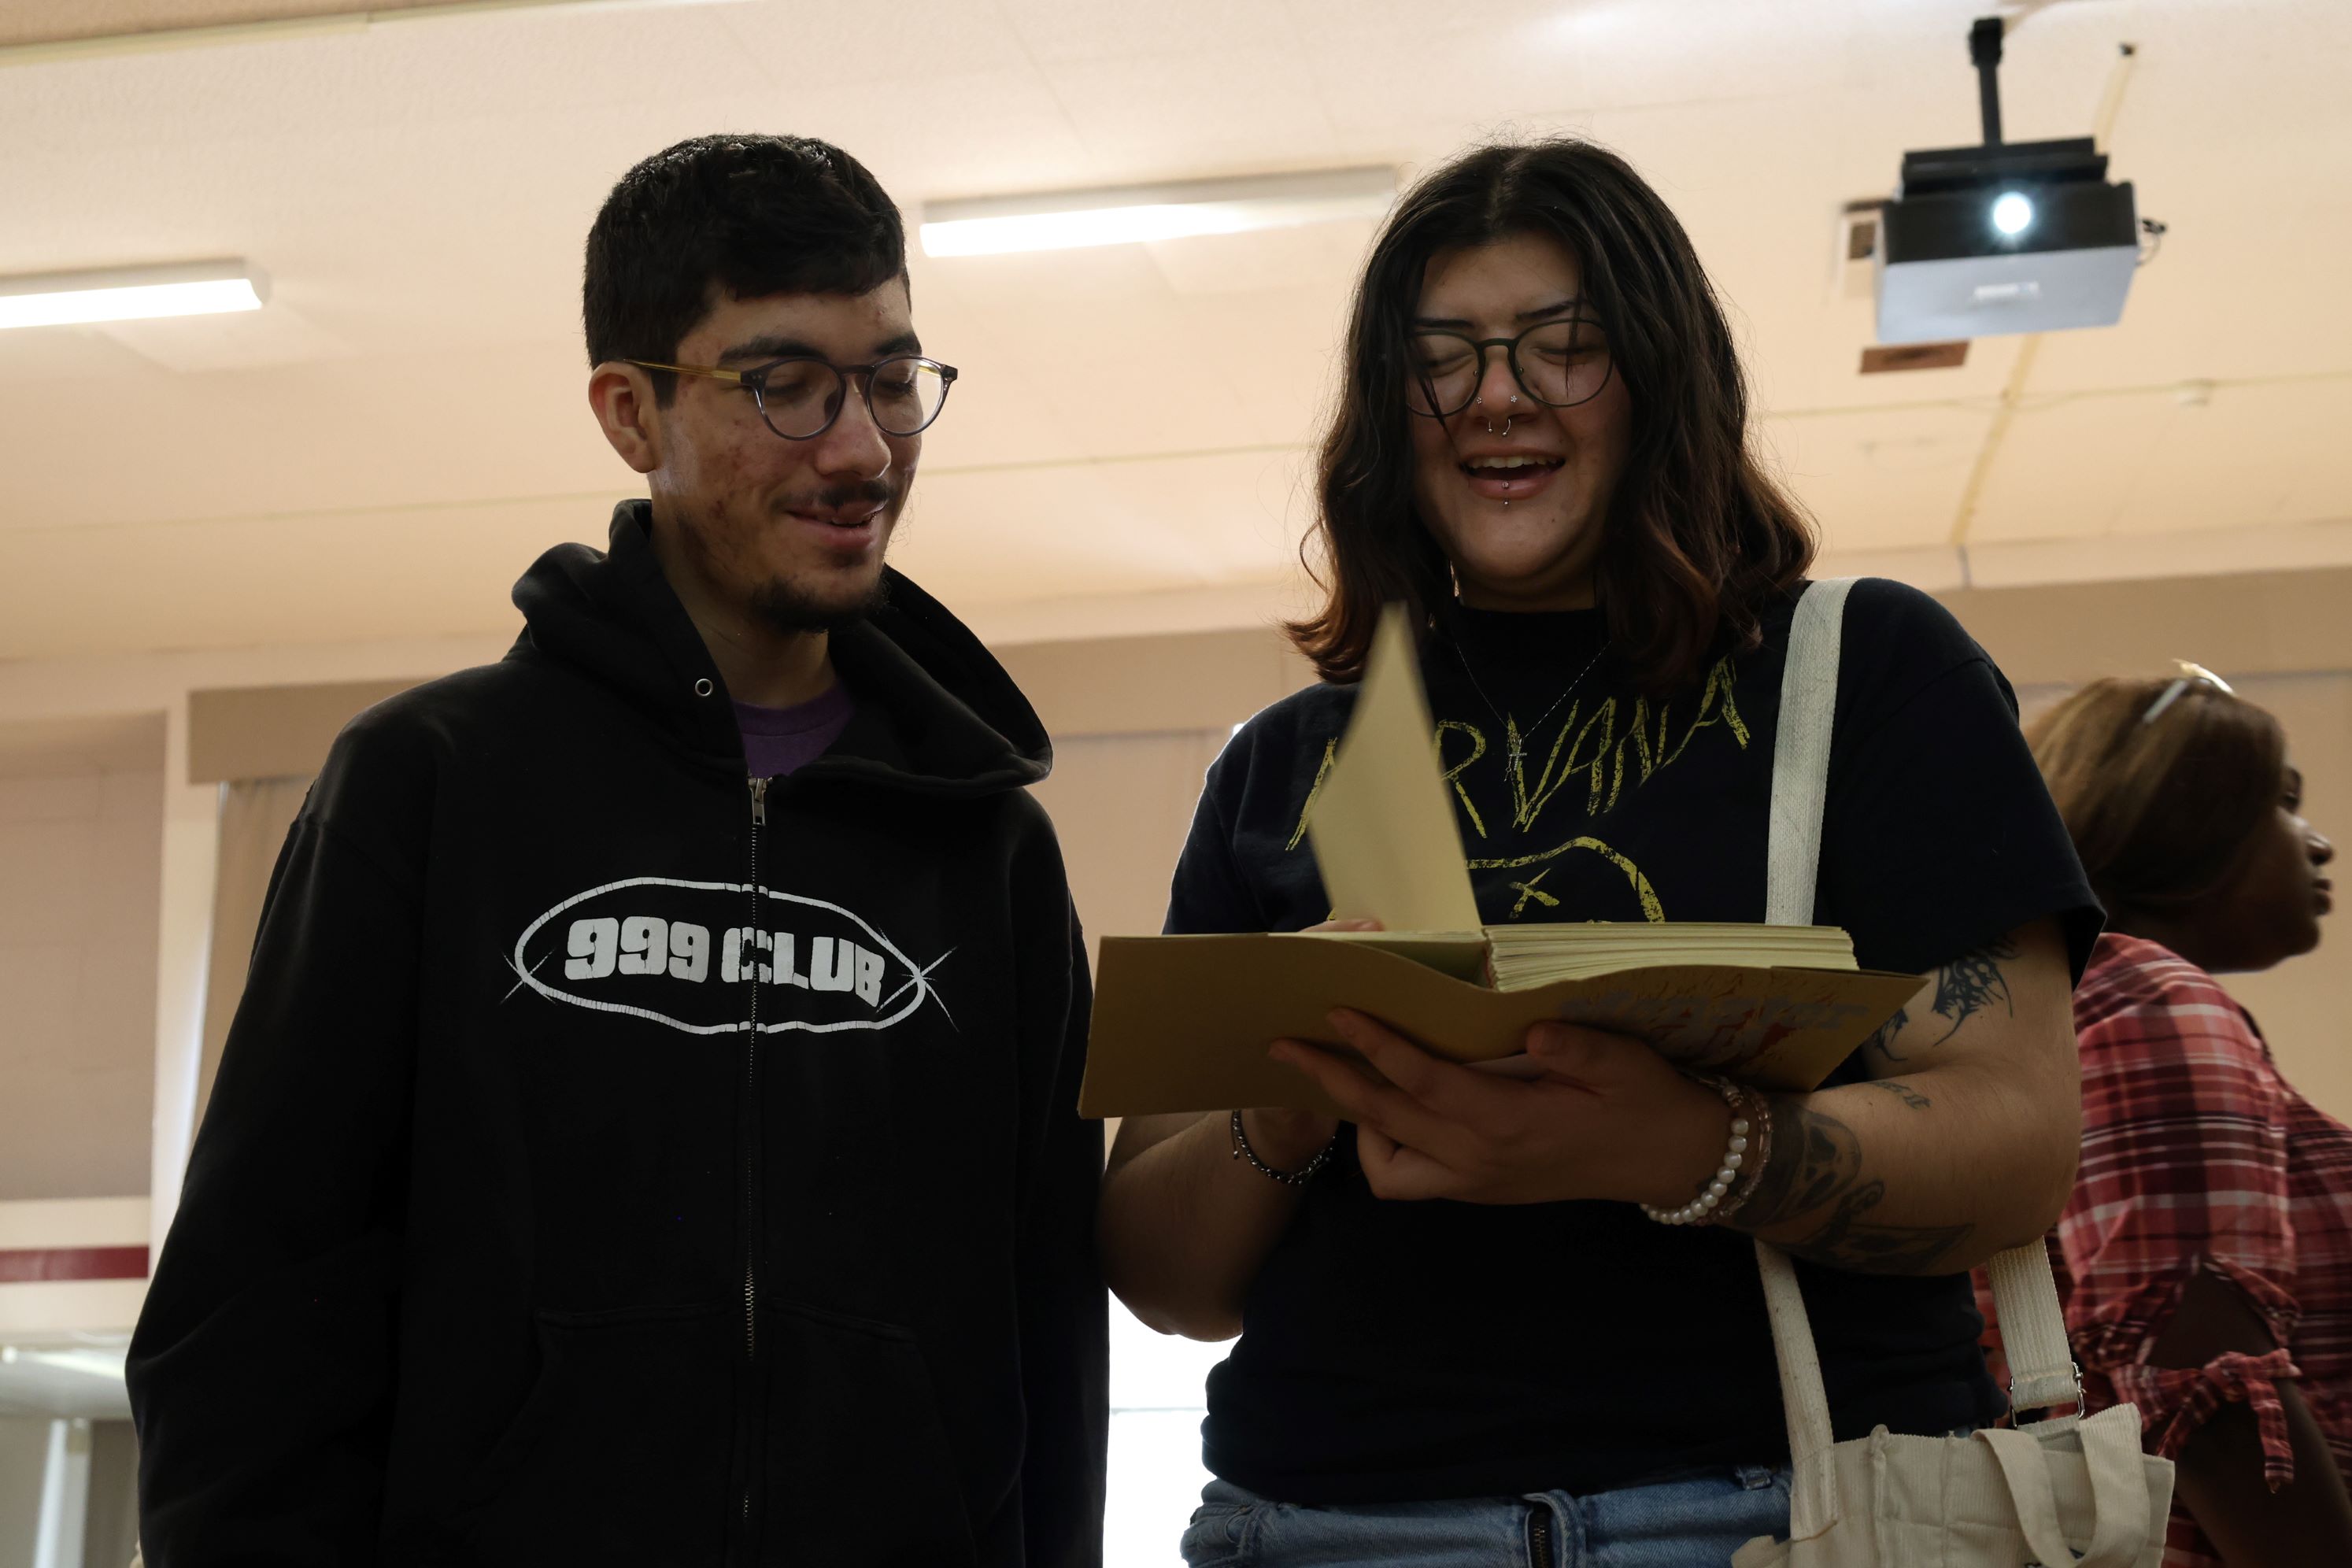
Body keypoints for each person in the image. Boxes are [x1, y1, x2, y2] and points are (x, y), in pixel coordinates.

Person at [1097, 138, 2099, 1568]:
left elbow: (2016, 1147)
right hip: (1327, 1527)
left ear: (1659, 380)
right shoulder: (1280, 760)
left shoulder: (1866, 673)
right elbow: (1161, 1269)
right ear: (1391, 407)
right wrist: (1304, 1087)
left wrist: (1688, 1143)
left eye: (1562, 346)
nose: (1495, 394)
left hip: (1781, 1512)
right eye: (1440, 355)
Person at [128, 134, 1106, 1566]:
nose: (858, 447)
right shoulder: (430, 786)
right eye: (783, 384)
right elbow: (256, 1318)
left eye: (891, 379)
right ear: (629, 412)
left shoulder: (987, 849)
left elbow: (1044, 1339)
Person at [2022, 670, 2350, 1566]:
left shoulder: (2077, 1005)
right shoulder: (2151, 1003)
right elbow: (2206, 1390)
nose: (2318, 843)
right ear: (2184, 820)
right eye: (2282, 802)